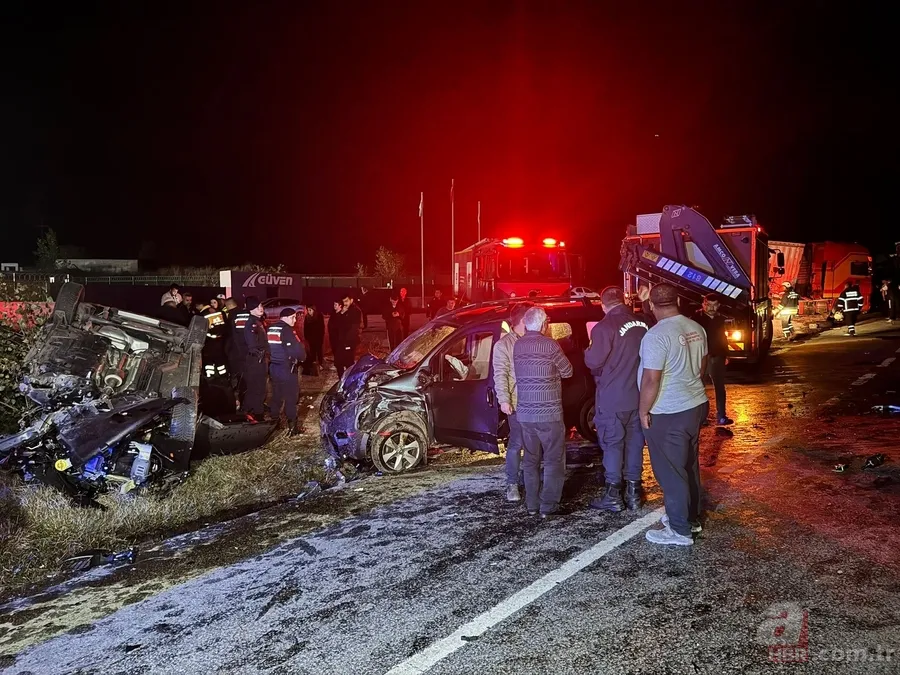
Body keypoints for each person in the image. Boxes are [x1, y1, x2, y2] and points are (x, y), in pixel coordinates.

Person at [639, 284, 709, 546]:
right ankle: (690, 519)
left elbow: (650, 379)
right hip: (695, 404)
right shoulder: (695, 328)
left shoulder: (656, 336)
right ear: (677, 300)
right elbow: (702, 364)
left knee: (671, 471)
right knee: (688, 465)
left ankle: (679, 530)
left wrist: (643, 410)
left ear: (651, 306)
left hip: (670, 411)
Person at [584, 286, 649, 512]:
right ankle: (633, 494)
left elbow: (593, 362)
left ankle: (613, 495)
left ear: (603, 305)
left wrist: (586, 351)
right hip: (638, 397)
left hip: (612, 398)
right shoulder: (642, 323)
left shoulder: (604, 327)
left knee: (612, 444)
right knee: (634, 445)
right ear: (623, 301)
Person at [513, 306, 574, 518]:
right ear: (543, 324)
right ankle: (548, 505)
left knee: (530, 459)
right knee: (554, 459)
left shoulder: (518, 345)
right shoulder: (550, 345)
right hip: (549, 414)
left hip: (526, 414)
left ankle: (532, 504)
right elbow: (568, 371)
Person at [492, 302, 534, 502]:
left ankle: (530, 481)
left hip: (536, 402)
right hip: (517, 403)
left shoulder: (535, 340)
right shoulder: (503, 345)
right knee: (517, 443)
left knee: (534, 444)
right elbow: (500, 374)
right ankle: (512, 483)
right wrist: (504, 400)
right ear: (523, 320)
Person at [694, 294, 734, 427]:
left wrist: (727, 354)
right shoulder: (695, 319)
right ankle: (701, 418)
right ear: (703, 304)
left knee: (720, 387)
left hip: (718, 356)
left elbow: (723, 337)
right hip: (700, 358)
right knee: (699, 388)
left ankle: (721, 416)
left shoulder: (720, 319)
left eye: (714, 305)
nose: (711, 308)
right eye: (708, 304)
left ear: (718, 306)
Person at [267, 308, 306, 435]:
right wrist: (302, 357)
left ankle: (274, 422)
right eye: (294, 317)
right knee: (291, 397)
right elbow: (297, 350)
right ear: (288, 317)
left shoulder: (271, 328)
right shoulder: (287, 330)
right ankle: (293, 427)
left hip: (274, 367)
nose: (295, 320)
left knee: (277, 395)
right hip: (286, 368)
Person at [237, 295, 269, 420]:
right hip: (256, 361)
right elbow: (252, 346)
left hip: (260, 360)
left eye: (261, 306)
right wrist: (262, 354)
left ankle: (250, 410)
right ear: (252, 308)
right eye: (258, 306)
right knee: (258, 388)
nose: (261, 308)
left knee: (257, 387)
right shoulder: (252, 323)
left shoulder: (258, 321)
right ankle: (257, 414)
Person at [339, 293, 363, 371]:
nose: (345, 303)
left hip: (350, 339)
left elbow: (354, 327)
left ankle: (351, 374)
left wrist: (347, 340)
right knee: (346, 358)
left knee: (349, 359)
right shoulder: (345, 310)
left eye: (346, 301)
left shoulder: (356, 311)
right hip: (345, 339)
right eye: (343, 302)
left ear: (351, 300)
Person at [303, 305, 326, 369]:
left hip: (318, 337)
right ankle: (313, 364)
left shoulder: (319, 316)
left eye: (310, 310)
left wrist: (321, 336)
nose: (309, 312)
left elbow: (322, 327)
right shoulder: (307, 317)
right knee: (312, 351)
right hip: (311, 338)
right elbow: (305, 328)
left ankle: (320, 364)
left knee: (319, 351)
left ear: (314, 310)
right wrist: (306, 336)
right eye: (308, 310)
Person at [328, 301, 346, 376]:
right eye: (333, 304)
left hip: (340, 341)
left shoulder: (342, 316)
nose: (334, 306)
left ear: (340, 306)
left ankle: (341, 373)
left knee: (340, 358)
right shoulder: (333, 314)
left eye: (336, 305)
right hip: (333, 339)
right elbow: (330, 325)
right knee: (336, 355)